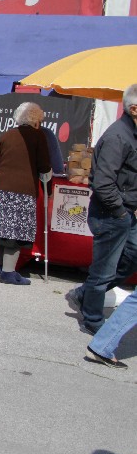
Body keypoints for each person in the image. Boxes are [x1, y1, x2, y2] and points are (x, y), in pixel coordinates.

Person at [66, 84, 137, 335]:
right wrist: (120, 212)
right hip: (112, 214)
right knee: (104, 270)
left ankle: (83, 294)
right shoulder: (118, 136)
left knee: (129, 261)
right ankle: (93, 320)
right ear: (135, 109)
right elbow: (103, 182)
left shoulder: (131, 134)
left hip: (125, 213)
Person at [0, 102, 52, 285]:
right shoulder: (38, 137)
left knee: (1, 226)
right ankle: (8, 272)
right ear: (36, 120)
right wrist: (50, 189)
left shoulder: (7, 135)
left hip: (2, 188)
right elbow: (44, 167)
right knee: (16, 229)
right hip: (23, 189)